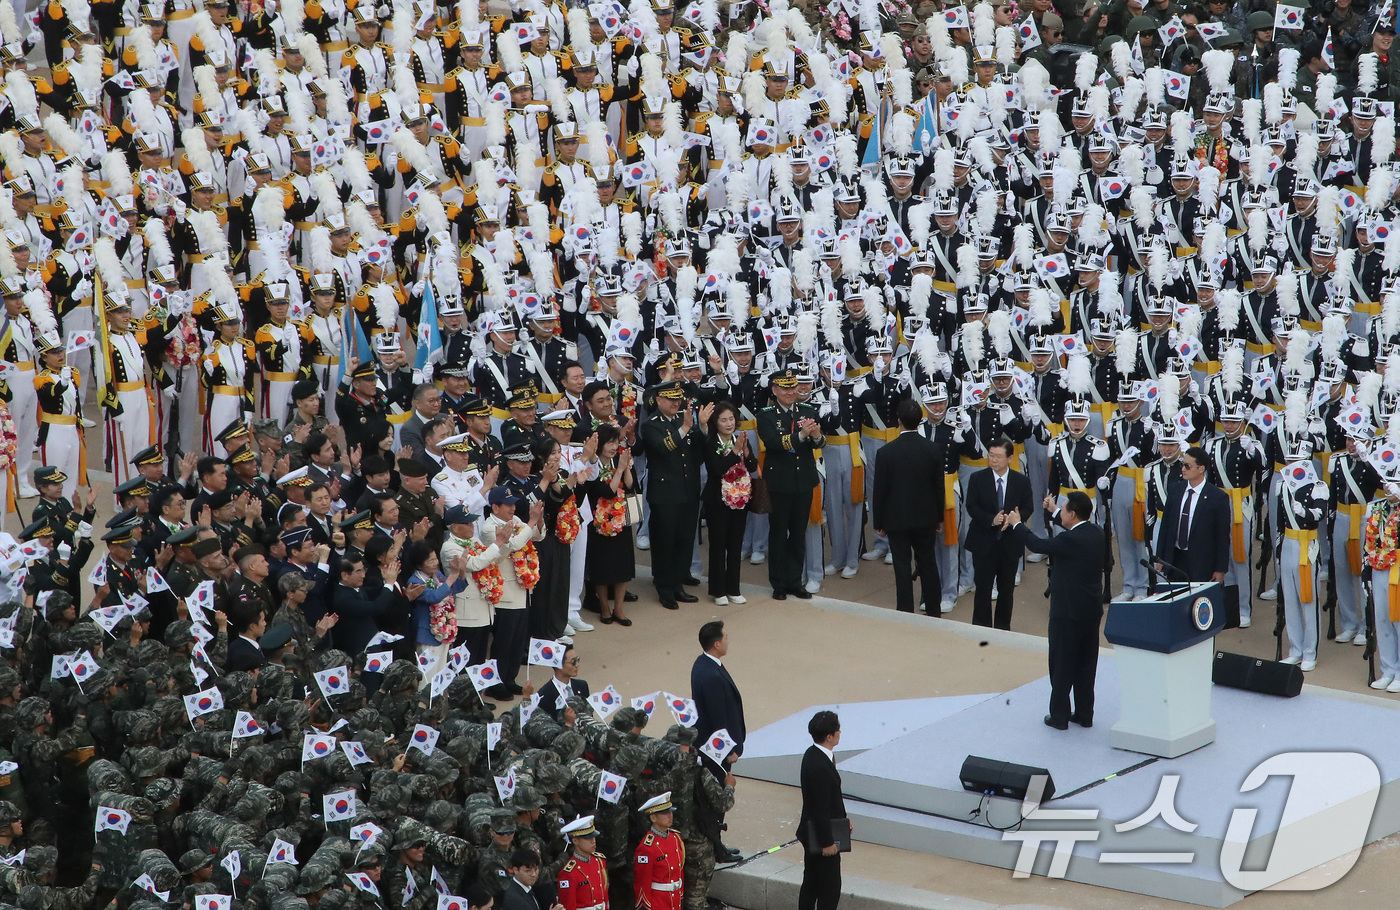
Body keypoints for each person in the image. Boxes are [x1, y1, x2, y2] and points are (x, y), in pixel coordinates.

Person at [1007, 492, 1106, 729]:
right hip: (1090, 611)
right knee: (1085, 665)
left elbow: (1038, 544)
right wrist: (1053, 510)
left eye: (1062, 509)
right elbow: (1069, 529)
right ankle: (1084, 714)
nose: (1059, 512)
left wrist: (1017, 524)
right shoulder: (1096, 533)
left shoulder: (1071, 541)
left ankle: (1059, 716)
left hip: (1067, 612)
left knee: (1061, 664)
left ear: (1072, 514)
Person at [871, 399, 946, 615]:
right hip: (926, 519)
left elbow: (880, 491)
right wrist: (939, 517)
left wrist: (879, 522)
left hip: (897, 520)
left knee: (901, 567)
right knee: (928, 563)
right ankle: (934, 609)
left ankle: (904, 611)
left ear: (899, 421)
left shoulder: (886, 452)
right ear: (920, 420)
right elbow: (938, 488)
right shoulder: (932, 450)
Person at [756, 368, 825, 600]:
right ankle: (778, 582)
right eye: (784, 388)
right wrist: (802, 436)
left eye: (792, 387)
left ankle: (795, 581)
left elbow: (819, 442)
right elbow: (773, 443)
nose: (789, 392)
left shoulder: (807, 410)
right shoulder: (765, 414)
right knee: (778, 533)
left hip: (803, 480)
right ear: (774, 390)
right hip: (779, 482)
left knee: (798, 533)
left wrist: (815, 436)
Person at [640, 381, 709, 610]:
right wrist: (685, 429)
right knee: (664, 542)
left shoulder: (684, 421)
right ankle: (665, 588)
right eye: (670, 399)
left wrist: (703, 428)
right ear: (659, 401)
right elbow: (663, 447)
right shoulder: (652, 425)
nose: (675, 403)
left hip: (688, 490)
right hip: (665, 493)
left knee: (684, 540)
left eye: (677, 399)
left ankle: (679, 584)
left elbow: (697, 454)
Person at [965, 438, 1034, 629]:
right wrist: (990, 520)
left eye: (998, 456)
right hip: (983, 544)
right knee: (982, 590)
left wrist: (1016, 519)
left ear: (1010, 458)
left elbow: (1029, 507)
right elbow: (971, 506)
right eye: (991, 455)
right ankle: (981, 628)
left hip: (1009, 544)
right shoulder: (977, 479)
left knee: (1006, 592)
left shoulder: (1021, 481)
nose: (993, 460)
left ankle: (1003, 629)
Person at [1152, 445, 1231, 587]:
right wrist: (1161, 557)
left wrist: (1220, 569)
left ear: (1201, 469)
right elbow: (1166, 526)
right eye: (1183, 465)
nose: (1182, 469)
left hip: (1202, 563)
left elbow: (1222, 537)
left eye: (1187, 466)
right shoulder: (1175, 490)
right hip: (1176, 560)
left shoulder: (1218, 498)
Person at [701, 402, 754, 605]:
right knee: (718, 545)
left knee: (735, 544)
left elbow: (752, 465)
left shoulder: (739, 439)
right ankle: (718, 590)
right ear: (716, 422)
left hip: (739, 500)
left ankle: (734, 588)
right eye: (724, 420)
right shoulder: (711, 442)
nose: (729, 423)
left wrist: (746, 453)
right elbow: (716, 468)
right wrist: (735, 452)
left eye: (731, 419)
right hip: (717, 500)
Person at [584, 424, 636, 624]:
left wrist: (627, 468)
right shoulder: (593, 466)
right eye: (609, 443)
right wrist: (620, 470)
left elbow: (630, 486)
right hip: (599, 523)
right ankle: (605, 608)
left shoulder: (619, 460)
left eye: (616, 442)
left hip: (620, 521)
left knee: (622, 567)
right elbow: (607, 492)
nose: (614, 447)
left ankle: (619, 609)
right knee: (602, 569)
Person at [797, 710, 845, 910]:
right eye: (837, 730)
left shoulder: (812, 754)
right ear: (829, 736)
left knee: (812, 883)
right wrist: (828, 842)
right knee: (829, 889)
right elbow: (820, 807)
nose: (840, 732)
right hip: (821, 838)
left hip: (814, 831)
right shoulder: (820, 767)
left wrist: (843, 821)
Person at [536, 642, 589, 721]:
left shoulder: (582, 685)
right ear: (558, 665)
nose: (577, 665)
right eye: (573, 662)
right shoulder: (545, 694)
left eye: (578, 660)